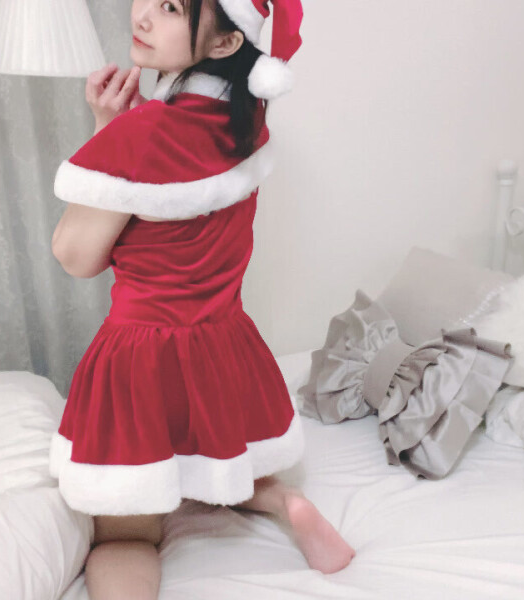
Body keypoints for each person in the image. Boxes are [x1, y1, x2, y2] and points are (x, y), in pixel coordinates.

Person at [49, 0, 355, 597]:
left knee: (123, 537)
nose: (142, 16)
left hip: (141, 362)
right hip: (222, 349)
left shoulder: (142, 134)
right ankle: (282, 501)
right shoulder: (246, 118)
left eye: (170, 8)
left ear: (223, 43)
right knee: (206, 467)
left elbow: (75, 256)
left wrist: (108, 128)